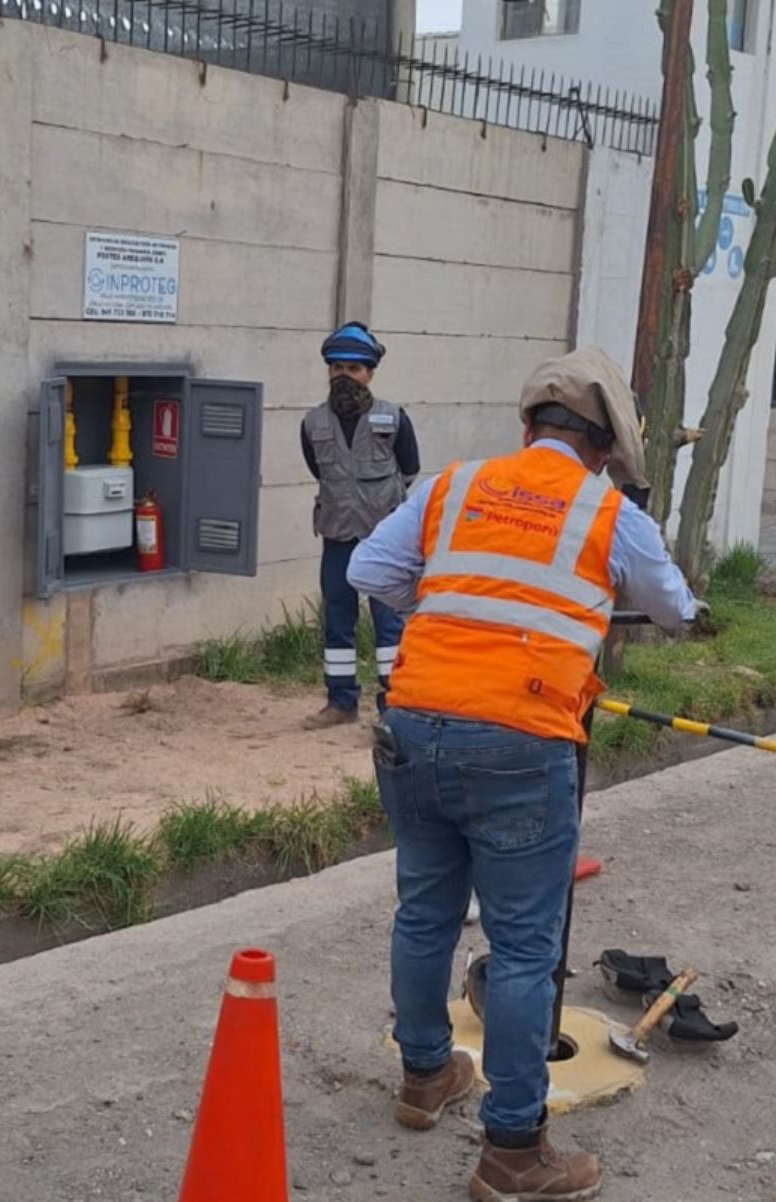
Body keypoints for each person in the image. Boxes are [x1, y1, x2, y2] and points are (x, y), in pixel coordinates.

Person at [348, 347, 697, 1200]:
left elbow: (368, 571)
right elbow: (675, 609)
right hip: (523, 739)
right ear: (607, 446)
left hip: (413, 724)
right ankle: (511, 1150)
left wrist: (455, 618)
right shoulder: (609, 511)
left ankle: (426, 1075)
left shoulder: (454, 487)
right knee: (523, 948)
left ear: (528, 427)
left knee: (425, 908)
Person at [300, 321, 420, 729]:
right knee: (337, 621)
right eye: (336, 367)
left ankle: (394, 709)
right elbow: (319, 471)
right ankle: (341, 703)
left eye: (353, 368)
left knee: (389, 627)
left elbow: (410, 470)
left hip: (385, 541)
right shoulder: (312, 423)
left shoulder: (394, 417)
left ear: (370, 373)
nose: (343, 376)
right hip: (337, 536)